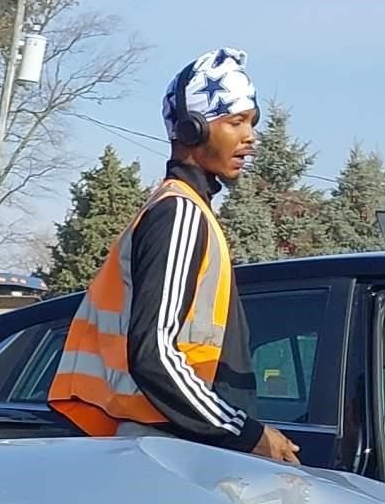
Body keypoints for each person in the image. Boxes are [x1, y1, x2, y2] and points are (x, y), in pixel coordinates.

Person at [49, 48, 302, 464]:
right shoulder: (180, 213)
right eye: (236, 122)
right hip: (168, 448)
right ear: (192, 129)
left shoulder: (184, 209)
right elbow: (155, 355)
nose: (250, 137)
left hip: (171, 442)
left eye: (252, 123)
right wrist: (244, 432)